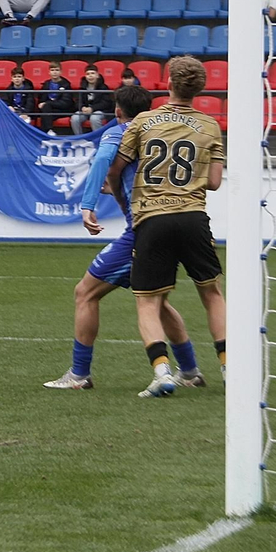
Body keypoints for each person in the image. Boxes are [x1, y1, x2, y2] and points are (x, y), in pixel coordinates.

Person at [45, 86, 202, 390]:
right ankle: (190, 370)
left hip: (142, 230)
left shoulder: (119, 132)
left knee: (85, 293)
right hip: (176, 222)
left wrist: (88, 205)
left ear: (117, 110)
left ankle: (79, 374)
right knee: (158, 301)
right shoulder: (162, 132)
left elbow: (102, 161)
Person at [105, 56, 228, 398]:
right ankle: (228, 366)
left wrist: (123, 201)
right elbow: (214, 182)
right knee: (211, 293)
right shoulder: (210, 125)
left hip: (152, 219)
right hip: (193, 217)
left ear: (169, 83)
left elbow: (115, 169)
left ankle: (162, 372)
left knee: (148, 300)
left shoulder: (144, 121)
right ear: (199, 89)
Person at [73, 66, 112, 133]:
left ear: (97, 75)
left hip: (100, 110)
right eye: (88, 74)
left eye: (92, 73)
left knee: (94, 118)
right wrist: (82, 107)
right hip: (85, 111)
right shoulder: (82, 87)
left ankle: (98, 137)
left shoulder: (103, 87)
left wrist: (92, 108)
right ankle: (79, 137)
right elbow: (78, 101)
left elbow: (106, 103)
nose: (90, 76)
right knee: (75, 118)